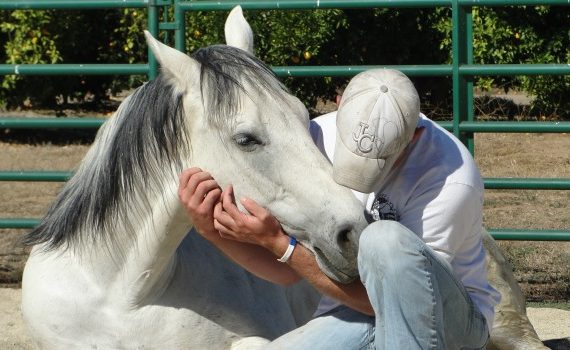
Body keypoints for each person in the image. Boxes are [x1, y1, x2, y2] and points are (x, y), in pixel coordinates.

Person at [178, 69, 500, 349]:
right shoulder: (314, 137)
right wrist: (211, 231)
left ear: (415, 136)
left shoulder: (451, 179)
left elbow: (402, 303)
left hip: (448, 321)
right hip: (352, 310)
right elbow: (289, 275)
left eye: (380, 161)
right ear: (339, 102)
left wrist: (280, 244)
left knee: (384, 240)